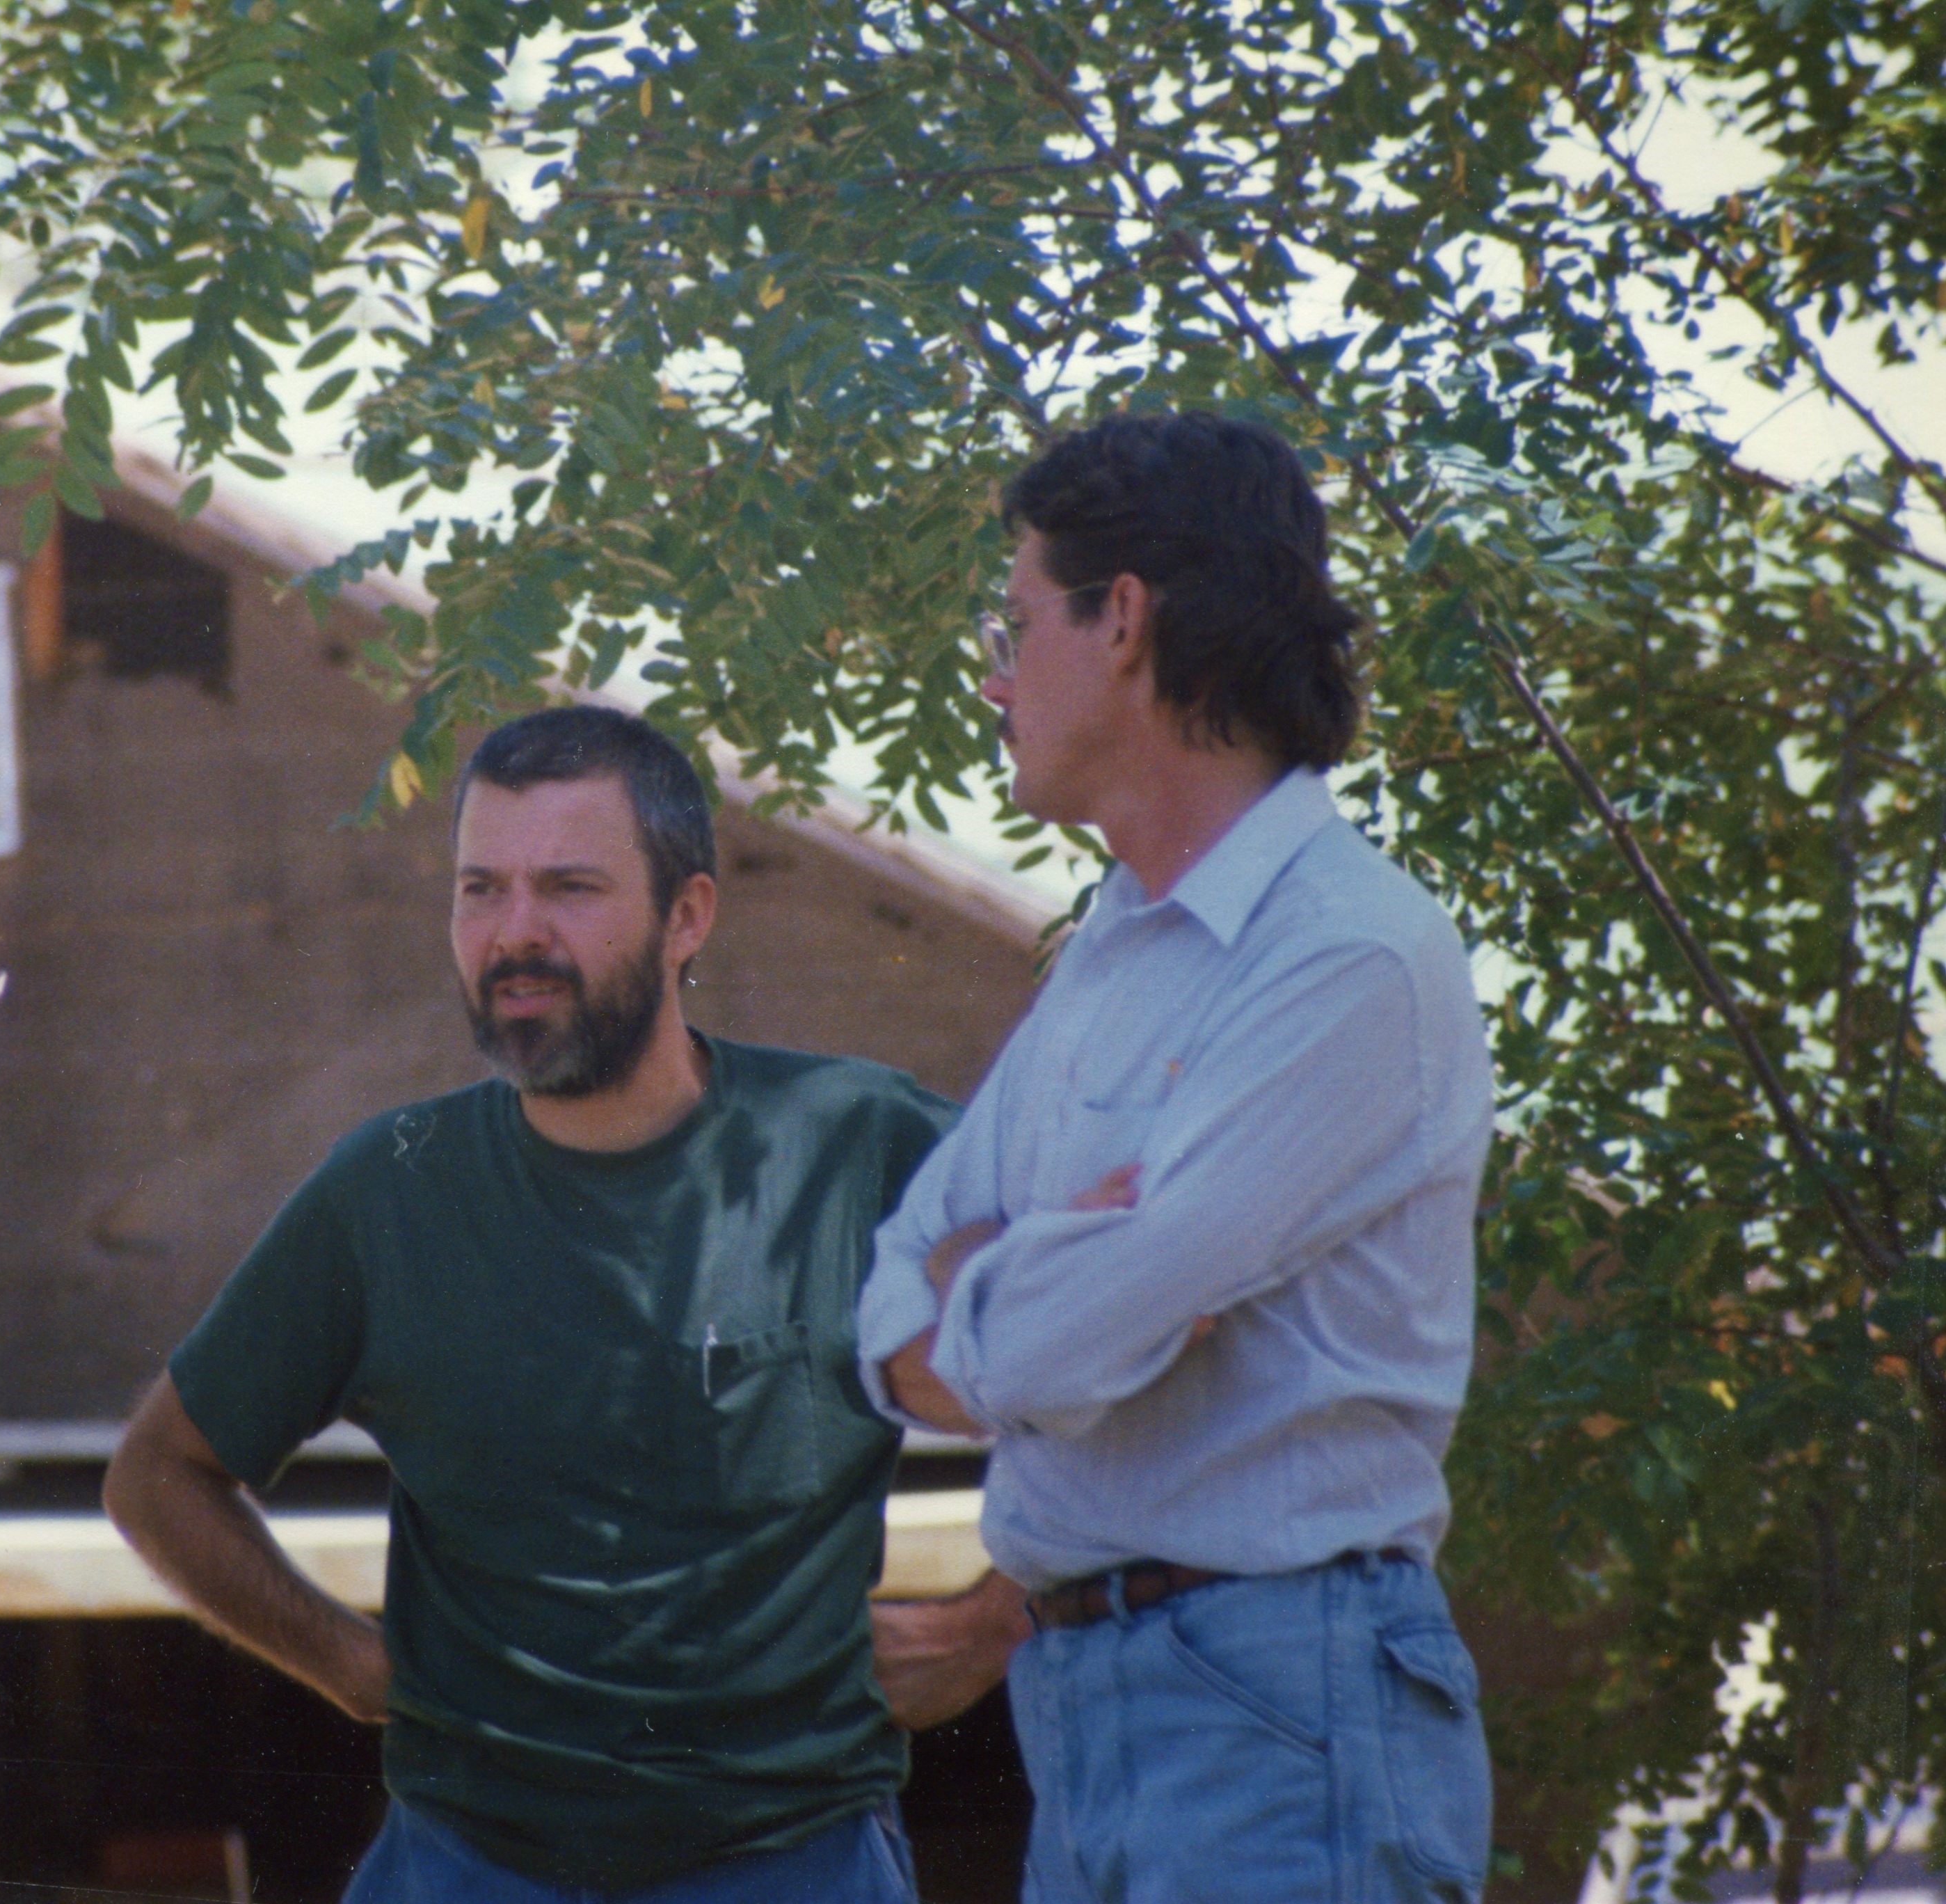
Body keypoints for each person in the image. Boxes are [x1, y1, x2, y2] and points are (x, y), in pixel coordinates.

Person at [105, 705, 1028, 1903]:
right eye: (480, 888)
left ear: (688, 913)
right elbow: (158, 1473)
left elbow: (1128, 1380)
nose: (515, 933)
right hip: (467, 1862)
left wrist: (988, 1627)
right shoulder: (390, 1192)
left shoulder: (860, 1148)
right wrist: (348, 1665)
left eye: (570, 889)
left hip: (794, 1858)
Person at [859, 411, 1498, 1903]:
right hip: (1090, 1705)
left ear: (1124, 619)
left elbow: (1064, 1331)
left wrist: (1020, 1299)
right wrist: (1043, 1290)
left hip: (1284, 1709)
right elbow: (900, 1276)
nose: (995, 675)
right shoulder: (1117, 949)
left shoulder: (1348, 951)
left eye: (1017, 621)